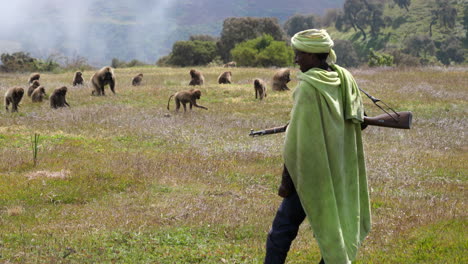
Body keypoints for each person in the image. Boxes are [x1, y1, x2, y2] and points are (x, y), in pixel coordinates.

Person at [264, 29, 371, 264]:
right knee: (337, 227)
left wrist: (286, 181)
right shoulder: (345, 78)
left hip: (312, 174)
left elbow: (297, 144)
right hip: (341, 170)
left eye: (299, 54)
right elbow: (360, 122)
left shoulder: (308, 88)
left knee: (282, 230)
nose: (296, 59)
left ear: (313, 56)